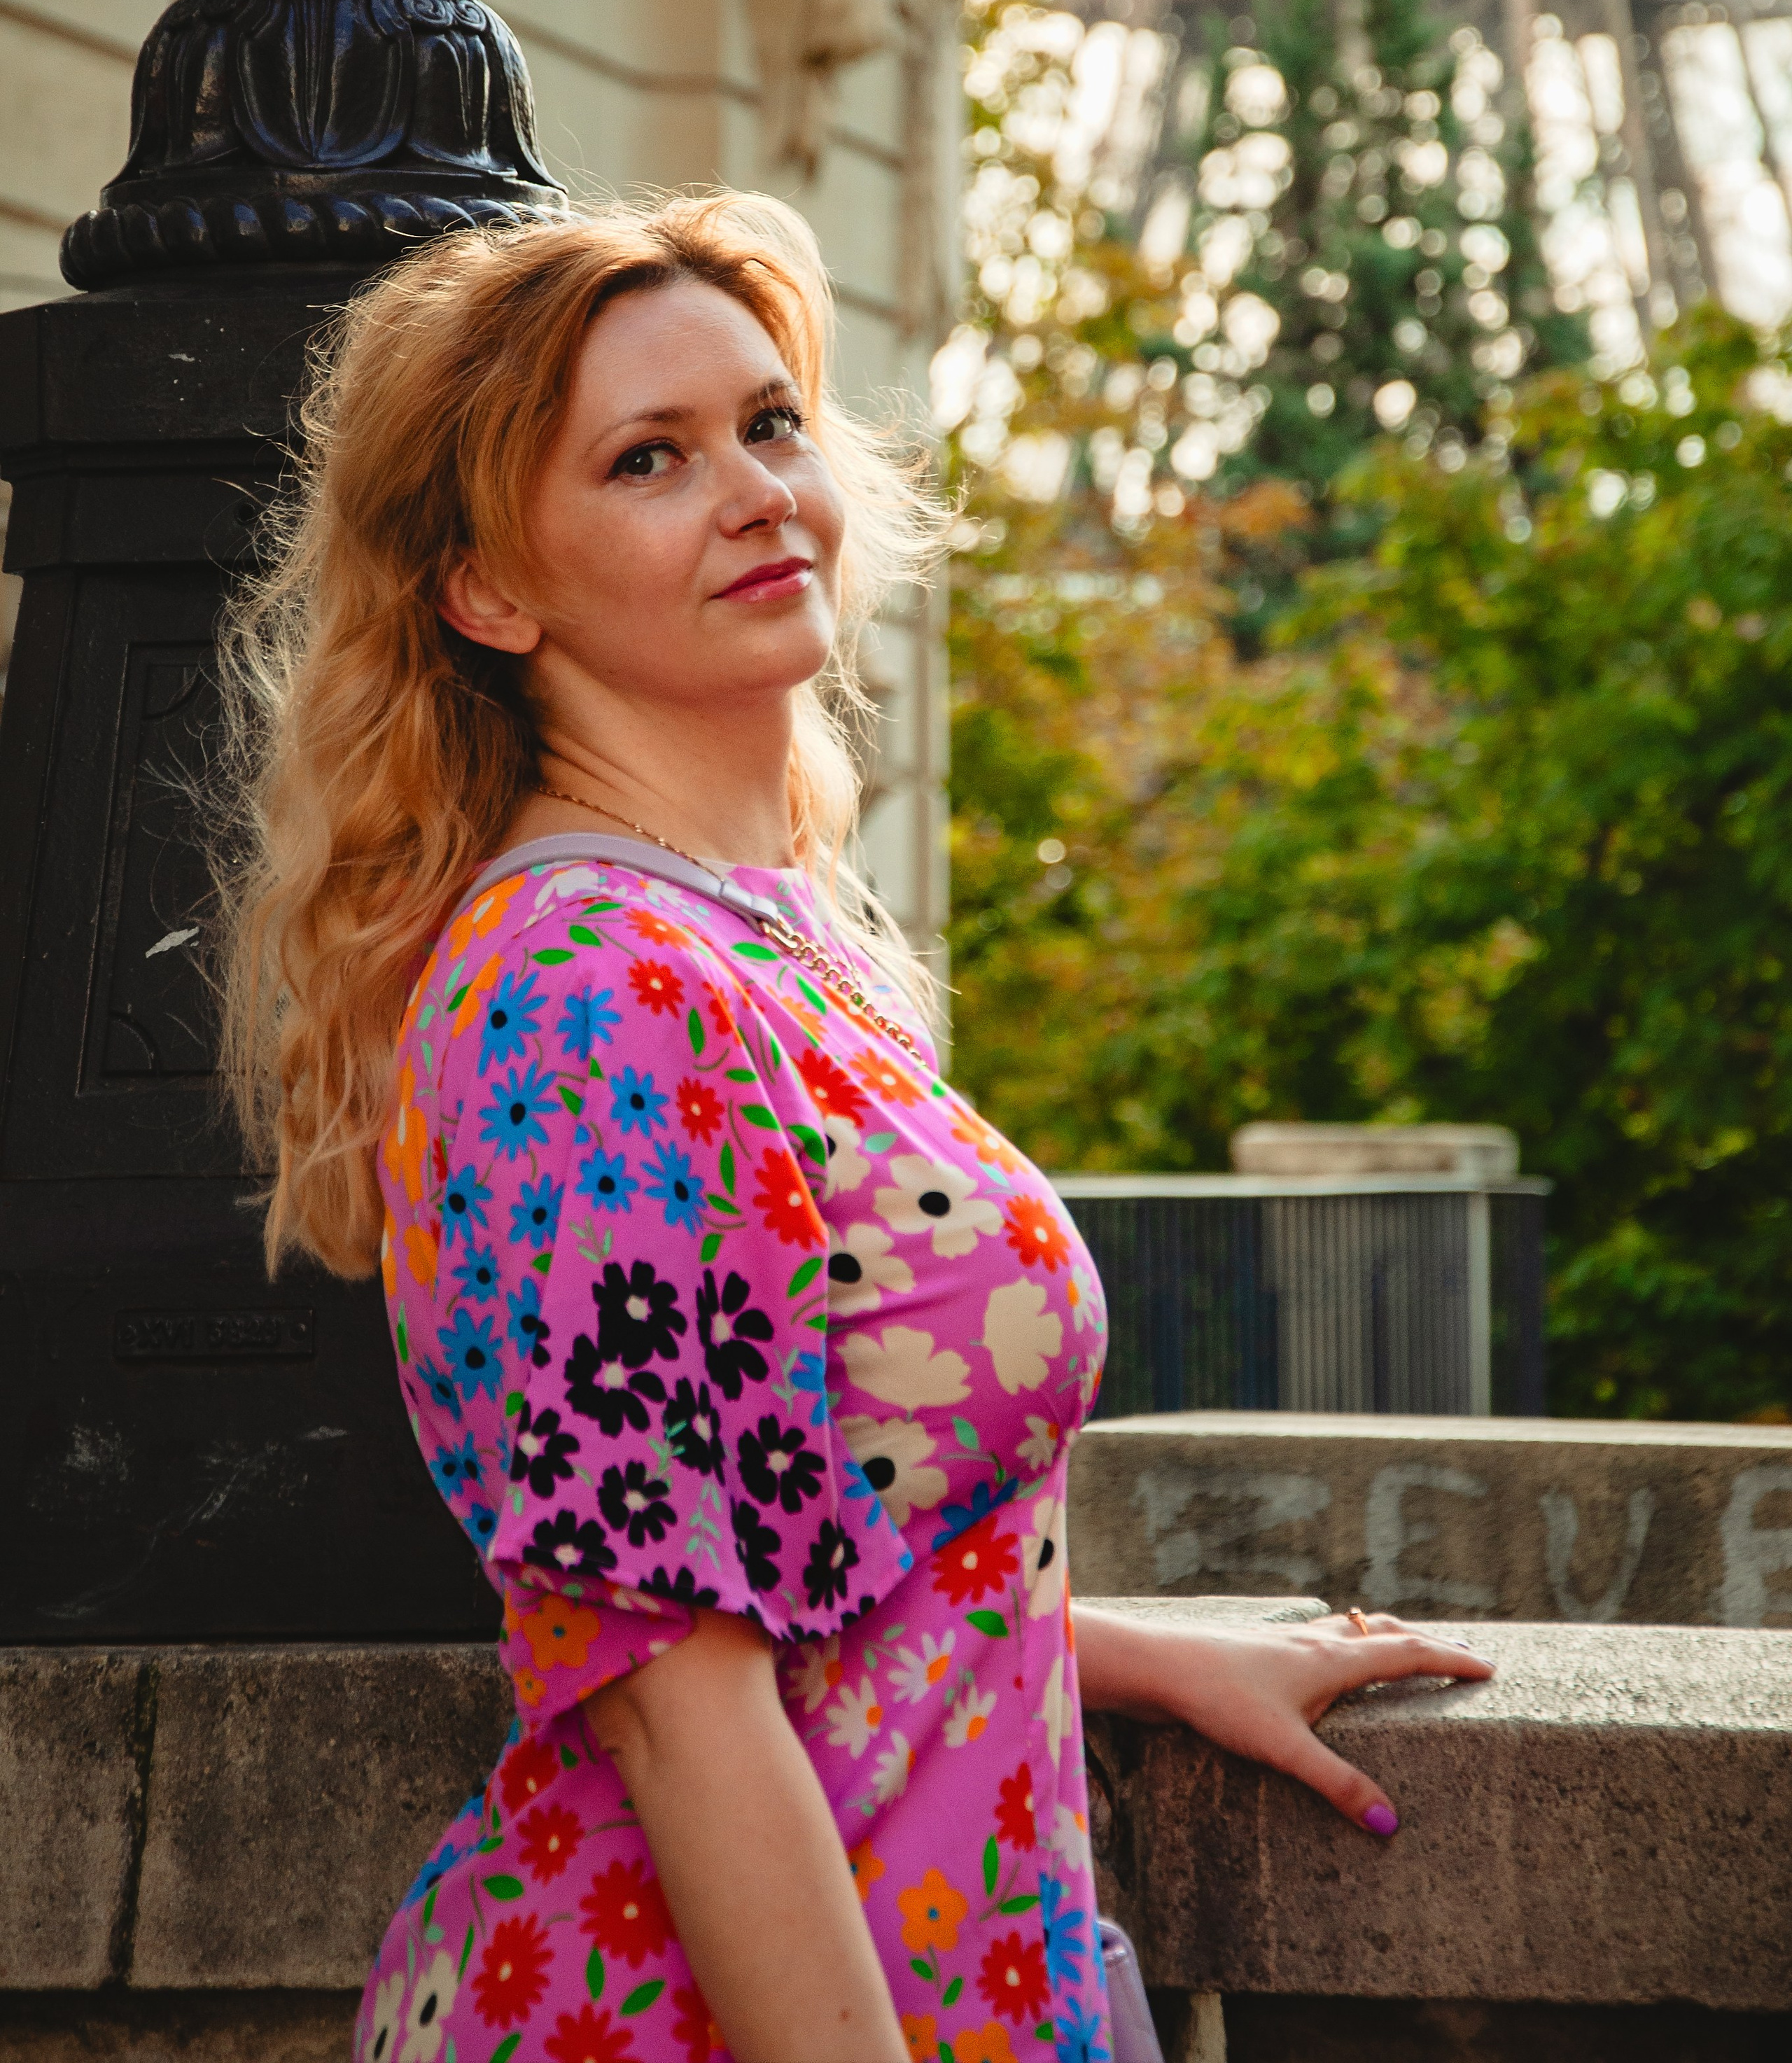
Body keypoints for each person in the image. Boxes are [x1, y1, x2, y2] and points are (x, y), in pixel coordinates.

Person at [217, 193, 1493, 2063]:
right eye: (648, 458)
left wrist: (1127, 1655)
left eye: (770, 422)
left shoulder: (767, 933)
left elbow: (805, 1547)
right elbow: (668, 1688)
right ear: (488, 591)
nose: (753, 490)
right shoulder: (587, 994)